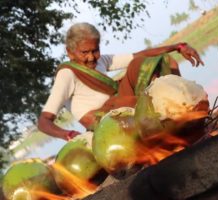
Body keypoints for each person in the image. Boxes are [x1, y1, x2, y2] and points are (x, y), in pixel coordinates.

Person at [38, 22, 204, 141]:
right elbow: (43, 121)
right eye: (84, 52)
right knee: (139, 73)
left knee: (162, 61)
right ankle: (170, 119)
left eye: (95, 50)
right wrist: (68, 135)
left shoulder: (101, 60)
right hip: (104, 121)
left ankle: (184, 105)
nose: (91, 57)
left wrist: (178, 46)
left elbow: (138, 56)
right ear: (70, 53)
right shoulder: (66, 74)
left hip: (119, 105)